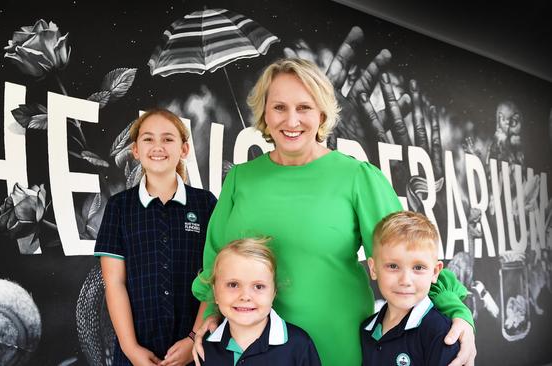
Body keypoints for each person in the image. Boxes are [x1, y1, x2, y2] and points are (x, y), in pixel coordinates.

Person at [191, 58, 476, 366]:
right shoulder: (240, 179)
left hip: (337, 345)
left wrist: (457, 313)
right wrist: (207, 317)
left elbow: (409, 252)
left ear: (322, 112)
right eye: (279, 107)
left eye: (304, 107)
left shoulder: (357, 177)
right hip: (251, 349)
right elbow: (216, 261)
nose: (291, 120)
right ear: (264, 112)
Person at [95, 108, 217, 366]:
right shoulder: (119, 207)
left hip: (195, 350)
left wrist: (193, 338)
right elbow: (114, 283)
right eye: (148, 139)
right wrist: (131, 349)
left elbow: (215, 276)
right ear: (135, 150)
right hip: (137, 353)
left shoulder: (205, 204)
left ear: (184, 150)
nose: (158, 146)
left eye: (168, 139)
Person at [200, 237, 321, 365]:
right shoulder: (203, 345)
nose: (245, 296)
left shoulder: (299, 345)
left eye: (258, 286)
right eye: (233, 284)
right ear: (215, 292)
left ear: (273, 293)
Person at [361, 211, 460, 366]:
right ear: (373, 269)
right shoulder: (366, 329)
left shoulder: (440, 332)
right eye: (393, 266)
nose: (405, 281)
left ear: (435, 272)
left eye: (418, 267)